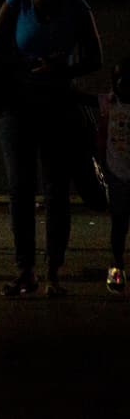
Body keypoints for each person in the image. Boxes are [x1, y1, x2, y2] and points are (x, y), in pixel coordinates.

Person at [0, 0, 102, 297]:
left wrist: (63, 69)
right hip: (16, 105)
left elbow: (95, 57)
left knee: (56, 190)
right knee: (20, 187)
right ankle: (25, 270)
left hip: (58, 105)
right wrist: (27, 66)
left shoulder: (77, 8)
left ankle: (53, 272)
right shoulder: (15, 5)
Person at [98, 58, 130, 295]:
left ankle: (117, 266)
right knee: (119, 223)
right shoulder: (109, 104)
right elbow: (101, 134)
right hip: (117, 172)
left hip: (118, 170)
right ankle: (116, 265)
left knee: (120, 222)